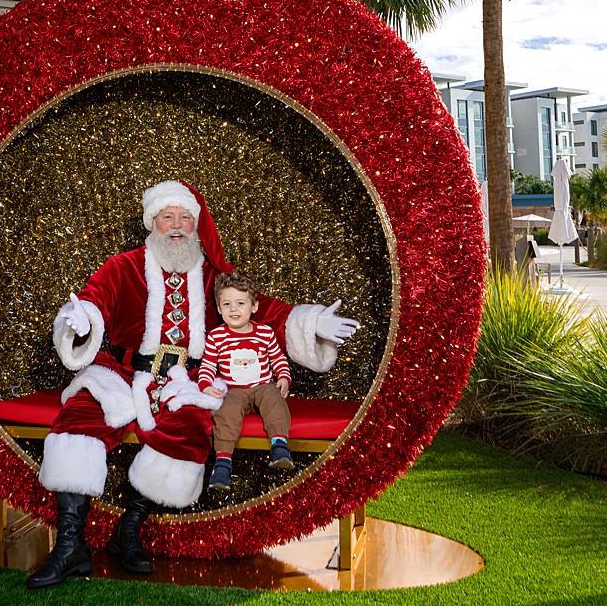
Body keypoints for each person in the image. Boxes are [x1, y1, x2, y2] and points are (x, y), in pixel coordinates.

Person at [26, 181, 360, 589]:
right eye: (168, 216)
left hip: (189, 380)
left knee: (188, 430)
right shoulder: (124, 266)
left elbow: (264, 308)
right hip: (127, 372)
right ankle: (70, 546)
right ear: (153, 222)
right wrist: (82, 321)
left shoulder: (212, 278)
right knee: (79, 416)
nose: (178, 226)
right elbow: (93, 298)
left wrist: (309, 324)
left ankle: (127, 530)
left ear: (196, 225)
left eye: (186, 217)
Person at [198, 269, 294, 492]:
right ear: (219, 309)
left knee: (274, 399)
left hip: (263, 386)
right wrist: (206, 385)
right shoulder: (216, 337)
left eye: (240, 303)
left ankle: (279, 445)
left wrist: (283, 377)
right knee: (226, 411)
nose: (234, 309)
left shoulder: (265, 333)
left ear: (254, 306)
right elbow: (208, 366)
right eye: (227, 304)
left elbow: (278, 358)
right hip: (234, 391)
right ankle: (222, 462)